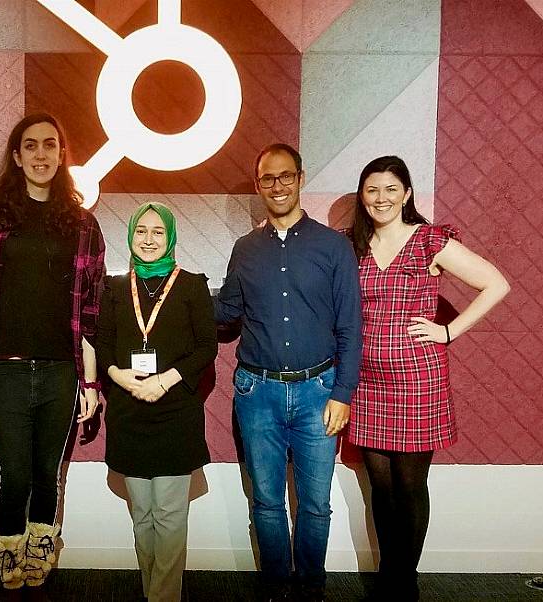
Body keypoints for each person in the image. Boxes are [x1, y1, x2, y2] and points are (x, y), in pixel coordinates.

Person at [0, 113, 105, 598]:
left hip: (62, 369)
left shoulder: (83, 224)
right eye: (31, 146)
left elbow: (92, 308)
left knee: (47, 473)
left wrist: (90, 383)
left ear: (62, 155)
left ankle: (42, 545)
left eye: (50, 145)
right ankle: (9, 548)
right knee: (14, 471)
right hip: (9, 369)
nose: (41, 154)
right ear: (16, 156)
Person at [346, 155, 510, 600]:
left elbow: (496, 283)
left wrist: (448, 331)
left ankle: (405, 580)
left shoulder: (428, 241)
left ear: (407, 193)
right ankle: (388, 574)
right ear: (363, 197)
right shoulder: (353, 245)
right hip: (367, 382)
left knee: (410, 485)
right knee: (380, 487)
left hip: (418, 380)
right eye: (372, 190)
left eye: (390, 189)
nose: (381, 198)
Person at [214, 143, 362, 601]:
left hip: (320, 392)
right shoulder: (245, 249)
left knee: (316, 505)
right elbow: (227, 312)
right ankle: (276, 588)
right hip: (257, 392)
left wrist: (342, 393)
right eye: (267, 179)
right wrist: (175, 293)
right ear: (259, 187)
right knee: (266, 501)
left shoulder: (333, 246)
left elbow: (351, 326)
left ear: (300, 178)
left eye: (285, 176)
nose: (277, 186)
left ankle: (311, 589)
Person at [96, 202, 217, 602]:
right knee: (142, 517)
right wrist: (118, 376)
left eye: (157, 232)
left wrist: (165, 380)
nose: (149, 239)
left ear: (170, 237)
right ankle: (154, 591)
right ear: (131, 236)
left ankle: (163, 597)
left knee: (168, 515)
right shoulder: (113, 287)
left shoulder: (192, 285)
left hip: (175, 412)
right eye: (141, 231)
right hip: (129, 411)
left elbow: (206, 348)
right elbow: (104, 344)